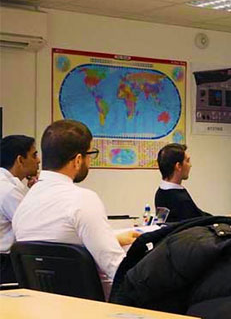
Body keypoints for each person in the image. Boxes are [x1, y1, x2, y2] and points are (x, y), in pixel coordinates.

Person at [12, 120, 138, 292]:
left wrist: (112, 237)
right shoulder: (82, 200)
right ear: (78, 160)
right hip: (98, 309)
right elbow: (117, 268)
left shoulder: (24, 206)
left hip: (46, 310)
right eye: (90, 154)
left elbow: (60, 241)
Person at [155, 143, 231, 223]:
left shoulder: (161, 193)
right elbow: (201, 223)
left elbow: (199, 216)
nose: (190, 165)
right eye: (187, 161)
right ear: (178, 166)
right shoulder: (180, 200)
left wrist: (228, 218)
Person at [0, 135, 40, 283]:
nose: (38, 160)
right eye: (34, 155)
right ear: (20, 160)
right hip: (6, 265)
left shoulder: (7, 185)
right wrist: (38, 191)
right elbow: (33, 226)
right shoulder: (9, 190)